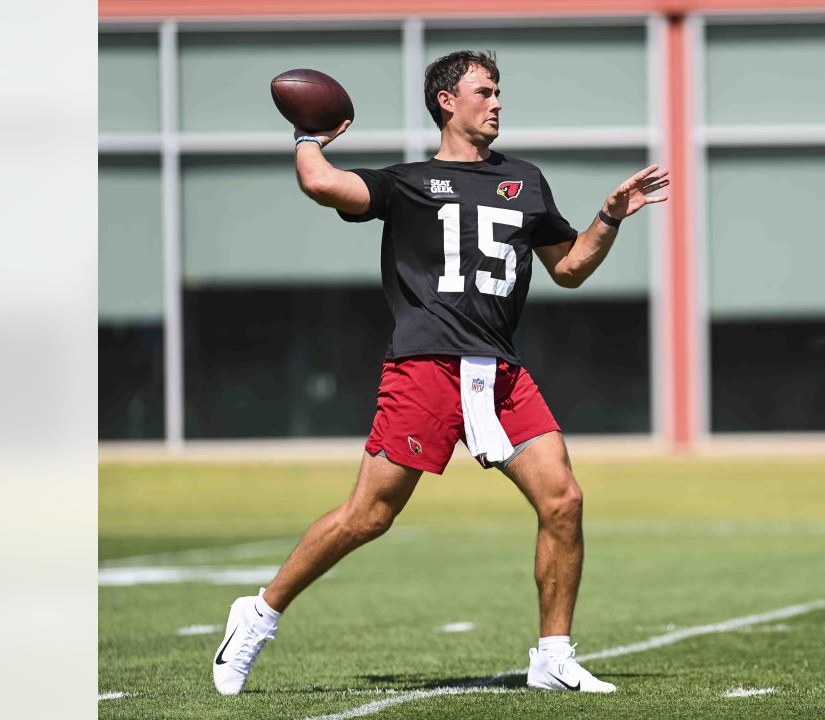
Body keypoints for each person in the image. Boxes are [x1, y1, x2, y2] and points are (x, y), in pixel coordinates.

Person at [212, 50, 668, 696]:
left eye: (500, 91)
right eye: (485, 91)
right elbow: (321, 184)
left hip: (500, 374)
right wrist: (308, 136)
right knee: (368, 515)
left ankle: (553, 656)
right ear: (448, 102)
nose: (498, 102)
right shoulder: (408, 184)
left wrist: (611, 216)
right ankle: (257, 615)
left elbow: (569, 268)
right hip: (425, 368)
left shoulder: (525, 181)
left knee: (563, 499)